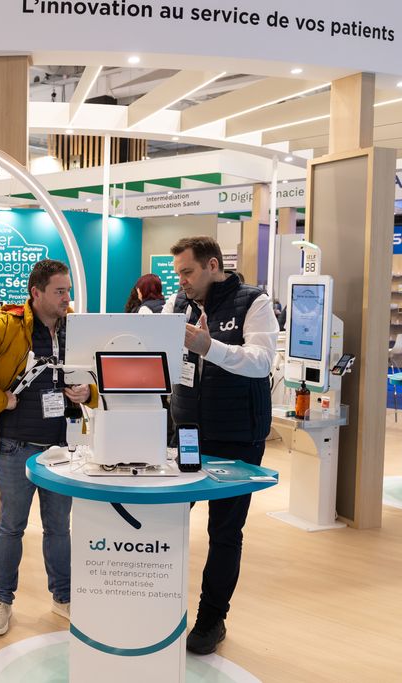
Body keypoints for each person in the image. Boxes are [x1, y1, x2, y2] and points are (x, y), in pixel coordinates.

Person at [0, 259, 97, 636]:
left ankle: (63, 598)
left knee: (58, 528)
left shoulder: (76, 327)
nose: (67, 298)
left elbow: (97, 374)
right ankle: (2, 601)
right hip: (16, 447)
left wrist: (88, 392)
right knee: (11, 526)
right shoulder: (8, 326)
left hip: (63, 449)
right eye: (59, 291)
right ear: (36, 293)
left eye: (68, 290)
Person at [164, 236, 278, 655]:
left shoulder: (253, 302)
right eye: (178, 273)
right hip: (187, 430)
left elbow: (262, 361)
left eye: (187, 271)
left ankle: (211, 619)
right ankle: (159, 605)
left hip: (237, 435)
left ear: (212, 265)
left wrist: (208, 347)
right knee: (168, 518)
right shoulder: (178, 305)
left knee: (225, 531)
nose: (182, 280)